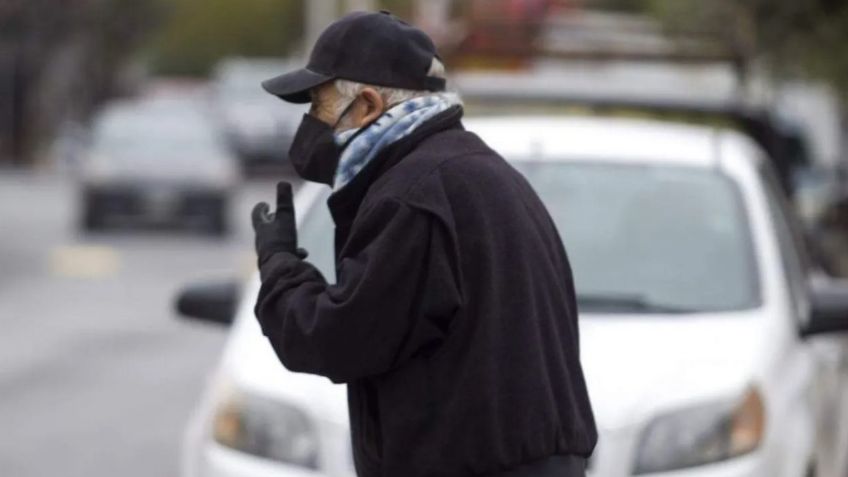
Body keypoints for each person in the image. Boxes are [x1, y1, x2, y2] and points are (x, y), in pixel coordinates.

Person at [251, 11, 596, 477]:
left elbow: (340, 339)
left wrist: (278, 267)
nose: (311, 122)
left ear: (369, 104)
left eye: (319, 104)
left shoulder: (413, 195)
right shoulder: (475, 171)